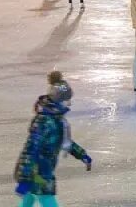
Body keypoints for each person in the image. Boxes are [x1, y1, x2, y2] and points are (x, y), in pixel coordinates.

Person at [14, 71, 92, 207]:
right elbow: (30, 148)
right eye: (67, 100)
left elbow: (64, 141)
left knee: (31, 196)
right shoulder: (44, 121)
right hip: (38, 170)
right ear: (58, 101)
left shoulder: (56, 119)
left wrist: (81, 154)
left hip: (44, 168)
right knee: (46, 197)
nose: (69, 103)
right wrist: (24, 178)